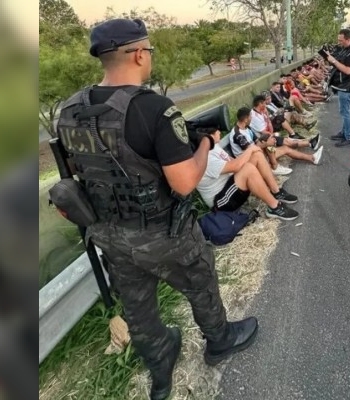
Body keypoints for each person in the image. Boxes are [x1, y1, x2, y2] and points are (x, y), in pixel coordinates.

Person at [55, 19, 258, 400]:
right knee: (200, 283)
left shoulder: (69, 110)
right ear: (136, 54)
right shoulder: (153, 108)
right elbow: (183, 183)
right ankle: (220, 340)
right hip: (165, 234)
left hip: (110, 235)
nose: (149, 57)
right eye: (148, 50)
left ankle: (161, 367)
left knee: (139, 308)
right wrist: (204, 145)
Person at [196, 128, 300, 220]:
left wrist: (253, 151)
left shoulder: (213, 147)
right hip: (221, 202)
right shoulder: (206, 158)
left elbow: (232, 161)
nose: (219, 132)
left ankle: (276, 192)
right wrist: (250, 149)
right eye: (216, 130)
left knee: (257, 155)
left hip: (230, 185)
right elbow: (235, 166)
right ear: (209, 136)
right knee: (248, 168)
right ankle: (274, 207)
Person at [325, 28, 350, 147]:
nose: (339, 42)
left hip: (349, 87)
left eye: (341, 40)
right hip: (344, 86)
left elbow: (348, 70)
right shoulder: (347, 49)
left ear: (348, 39)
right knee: (344, 111)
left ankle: (348, 137)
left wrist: (334, 61)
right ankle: (344, 133)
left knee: (346, 112)